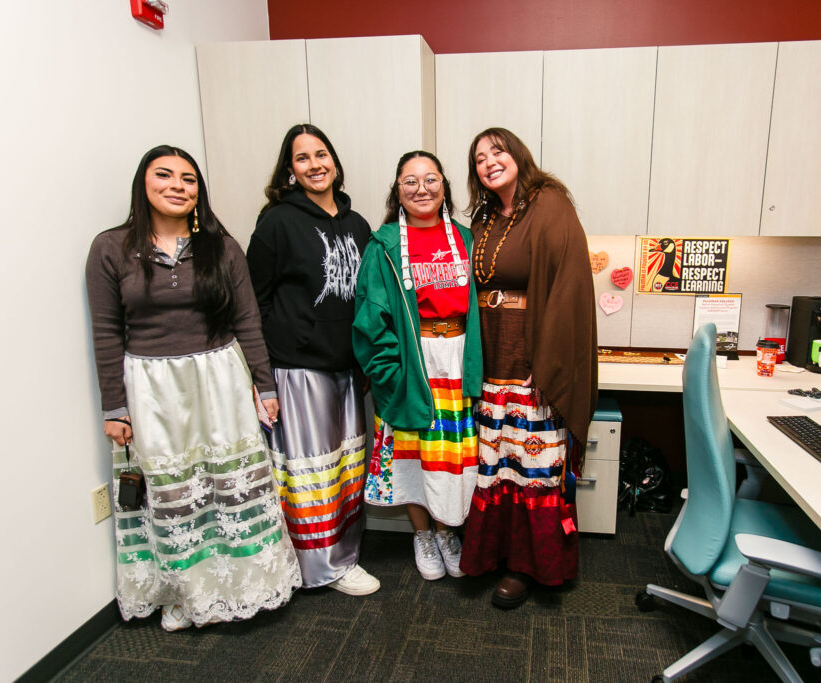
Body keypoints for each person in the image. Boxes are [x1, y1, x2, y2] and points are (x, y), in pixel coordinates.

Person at [86, 145, 301, 631]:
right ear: (144, 184)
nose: (178, 186)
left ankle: (248, 584)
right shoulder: (111, 248)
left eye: (188, 179)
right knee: (173, 492)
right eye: (165, 176)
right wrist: (114, 407)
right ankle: (185, 593)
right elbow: (105, 332)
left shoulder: (221, 247)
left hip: (220, 378)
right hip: (153, 388)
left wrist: (264, 386)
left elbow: (248, 320)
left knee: (231, 484)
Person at [459, 128, 598, 608]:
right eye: (479, 158)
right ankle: (496, 554)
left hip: (531, 362)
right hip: (492, 362)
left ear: (518, 154)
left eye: (498, 151)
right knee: (496, 465)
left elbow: (569, 287)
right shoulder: (484, 216)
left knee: (532, 467)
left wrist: (549, 358)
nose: (490, 161)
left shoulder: (549, 204)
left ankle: (529, 566)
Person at [246, 124, 379, 595]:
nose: (315, 164)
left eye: (321, 154)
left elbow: (366, 301)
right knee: (310, 474)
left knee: (345, 468)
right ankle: (317, 567)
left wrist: (365, 364)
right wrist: (262, 378)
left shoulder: (359, 224)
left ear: (335, 162)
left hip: (347, 369)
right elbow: (253, 304)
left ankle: (343, 556)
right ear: (290, 171)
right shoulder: (276, 223)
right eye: (302, 158)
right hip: (297, 369)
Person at [353, 151, 482, 581]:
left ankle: (448, 531)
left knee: (452, 458)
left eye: (430, 179)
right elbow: (371, 320)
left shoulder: (466, 238)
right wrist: (391, 375)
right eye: (410, 182)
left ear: (444, 185)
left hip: (457, 361)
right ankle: (422, 534)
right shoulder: (384, 245)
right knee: (413, 458)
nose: (421, 189)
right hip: (413, 363)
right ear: (398, 191)